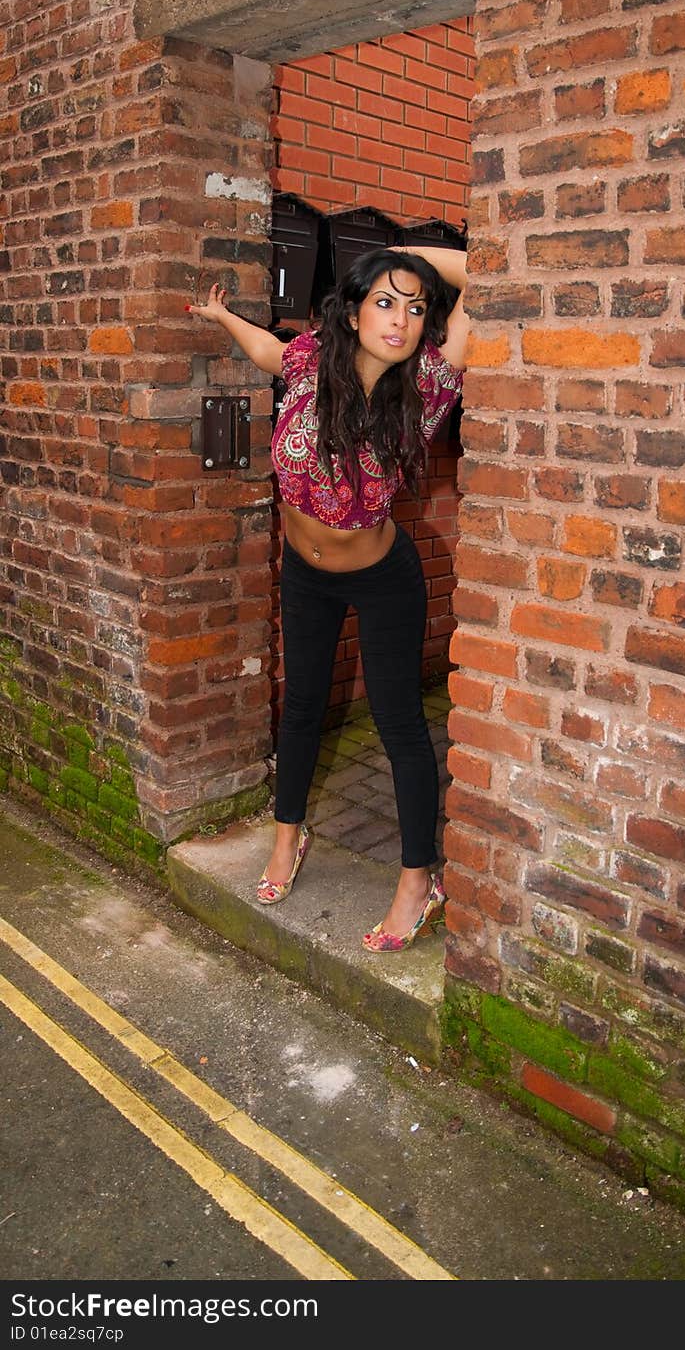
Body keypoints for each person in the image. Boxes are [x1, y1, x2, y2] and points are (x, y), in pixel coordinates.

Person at [186, 243, 468, 952]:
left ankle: (417, 880)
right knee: (304, 708)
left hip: (382, 579)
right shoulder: (313, 358)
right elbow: (266, 353)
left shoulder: (431, 382)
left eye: (416, 307)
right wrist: (222, 316)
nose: (400, 320)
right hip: (306, 573)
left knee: (401, 725)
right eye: (384, 301)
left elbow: (486, 268)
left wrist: (400, 259)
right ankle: (288, 839)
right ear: (352, 307)